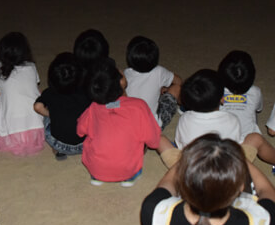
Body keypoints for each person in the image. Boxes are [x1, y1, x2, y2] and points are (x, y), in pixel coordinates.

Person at [141, 134, 275, 225]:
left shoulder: (154, 210)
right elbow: (267, 191)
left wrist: (187, 160)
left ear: (183, 180)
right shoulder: (263, 222)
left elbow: (167, 183)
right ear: (240, 187)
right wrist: (241, 159)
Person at [76, 57, 161, 186]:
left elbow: (80, 131)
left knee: (92, 138)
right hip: (128, 169)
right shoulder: (139, 106)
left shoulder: (93, 107)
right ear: (121, 82)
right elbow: (153, 141)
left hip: (96, 168)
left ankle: (98, 177)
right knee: (138, 140)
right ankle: (129, 178)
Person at [175, 69, 275, 165]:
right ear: (223, 99)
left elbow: (181, 146)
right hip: (227, 172)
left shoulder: (184, 119)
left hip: (194, 170)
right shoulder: (231, 119)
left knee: (164, 142)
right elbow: (235, 148)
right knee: (256, 138)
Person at [0, 32, 45, 156]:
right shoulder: (31, 67)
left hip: (11, 123)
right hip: (35, 122)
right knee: (35, 93)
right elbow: (35, 84)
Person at [34, 52, 91, 161]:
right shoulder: (87, 92)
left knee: (45, 118)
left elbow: (37, 107)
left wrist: (52, 114)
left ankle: (58, 151)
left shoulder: (49, 92)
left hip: (59, 143)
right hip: (85, 143)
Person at [124, 35, 182, 129]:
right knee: (177, 88)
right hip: (152, 128)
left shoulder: (126, 74)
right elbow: (178, 81)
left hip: (129, 126)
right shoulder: (159, 72)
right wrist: (166, 89)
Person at [218, 50, 263, 138]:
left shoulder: (216, 90)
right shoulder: (256, 92)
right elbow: (259, 109)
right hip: (248, 141)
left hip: (223, 140)